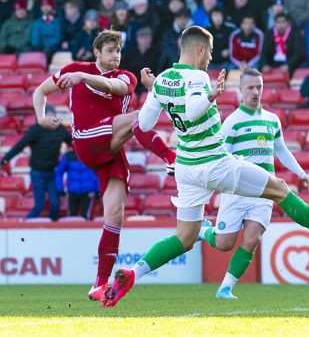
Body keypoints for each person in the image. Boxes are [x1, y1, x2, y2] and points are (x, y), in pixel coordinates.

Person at [102, 26, 309, 307]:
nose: (210, 58)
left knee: (184, 237)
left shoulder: (164, 79)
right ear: (200, 49)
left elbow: (143, 125)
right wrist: (210, 96)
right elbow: (192, 112)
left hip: (186, 168)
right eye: (210, 52)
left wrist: (157, 90)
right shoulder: (198, 77)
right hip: (214, 162)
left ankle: (133, 273)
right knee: (279, 188)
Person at [32, 30, 177, 302]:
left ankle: (99, 283)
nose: (115, 56)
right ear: (97, 52)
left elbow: (114, 88)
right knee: (138, 117)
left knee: (115, 217)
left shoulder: (126, 76)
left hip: (110, 148)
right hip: (87, 140)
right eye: (110, 50)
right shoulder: (75, 69)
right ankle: (170, 157)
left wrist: (83, 78)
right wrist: (41, 117)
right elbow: (41, 91)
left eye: (118, 51)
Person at [197, 69, 309, 299]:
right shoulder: (232, 122)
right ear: (240, 90)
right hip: (237, 191)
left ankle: (225, 288)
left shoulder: (272, 120)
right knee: (224, 243)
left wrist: (300, 172)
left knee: (251, 240)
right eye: (251, 87)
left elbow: (281, 149)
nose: (255, 92)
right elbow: (220, 157)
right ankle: (204, 231)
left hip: (264, 193)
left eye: (259, 87)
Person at [0, 105, 72, 221]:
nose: (50, 118)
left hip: (52, 173)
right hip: (37, 173)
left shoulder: (60, 130)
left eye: (52, 115)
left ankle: (49, 227)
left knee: (55, 204)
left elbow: (74, 143)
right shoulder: (35, 130)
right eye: (47, 115)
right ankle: (24, 226)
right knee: (39, 205)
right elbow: (20, 146)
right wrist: (4, 160)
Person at [55, 147, 100, 217]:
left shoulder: (92, 154)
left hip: (87, 191)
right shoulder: (69, 156)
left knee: (85, 216)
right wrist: (60, 188)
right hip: (73, 191)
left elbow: (98, 172)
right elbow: (59, 172)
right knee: (72, 216)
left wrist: (98, 189)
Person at [120, 27, 159, 95]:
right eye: (142, 37)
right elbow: (124, 71)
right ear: (137, 39)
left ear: (151, 39)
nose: (145, 40)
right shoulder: (129, 54)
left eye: (147, 37)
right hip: (131, 86)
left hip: (149, 88)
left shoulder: (156, 54)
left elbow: (157, 72)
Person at [159, 9, 192, 73]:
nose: (182, 21)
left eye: (185, 18)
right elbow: (162, 61)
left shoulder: (193, 33)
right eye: (180, 18)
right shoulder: (168, 34)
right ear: (176, 19)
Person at [207, 7, 235, 71]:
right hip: (211, 63)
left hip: (227, 63)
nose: (217, 18)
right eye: (215, 15)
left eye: (219, 15)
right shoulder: (206, 30)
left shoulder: (231, 29)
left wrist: (229, 51)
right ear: (211, 17)